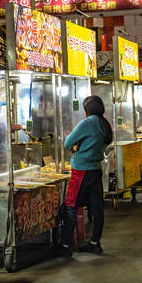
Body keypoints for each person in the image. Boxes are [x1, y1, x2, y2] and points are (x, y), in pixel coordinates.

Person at [60, 95, 113, 255]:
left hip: (81, 170)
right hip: (96, 169)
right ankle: (94, 242)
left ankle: (65, 246)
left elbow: (67, 143)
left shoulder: (87, 123)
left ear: (87, 110)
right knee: (97, 208)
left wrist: (76, 147)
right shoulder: (104, 124)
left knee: (71, 205)